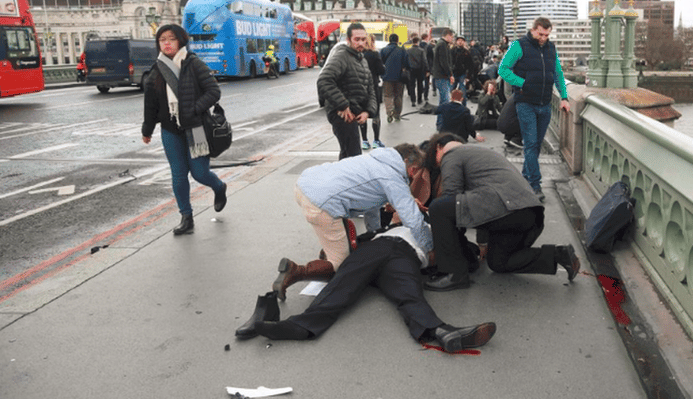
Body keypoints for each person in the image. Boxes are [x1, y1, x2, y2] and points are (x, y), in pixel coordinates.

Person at [236, 225, 496, 353]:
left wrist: (473, 253)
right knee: (343, 283)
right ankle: (301, 326)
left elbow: (469, 256)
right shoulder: (392, 225)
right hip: (379, 246)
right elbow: (348, 245)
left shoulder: (439, 226)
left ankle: (441, 331)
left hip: (407, 257)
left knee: (409, 294)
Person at [273, 143, 433, 300]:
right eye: (416, 170)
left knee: (338, 236)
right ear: (408, 164)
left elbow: (370, 204)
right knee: (343, 264)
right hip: (322, 203)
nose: (414, 174)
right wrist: (429, 247)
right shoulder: (392, 177)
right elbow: (413, 219)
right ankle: (295, 271)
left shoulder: (377, 159)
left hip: (305, 185)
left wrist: (375, 234)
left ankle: (328, 251)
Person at [422, 133, 580, 292]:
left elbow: (452, 199)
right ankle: (558, 254)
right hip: (528, 213)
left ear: (438, 148)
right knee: (499, 262)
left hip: (507, 208)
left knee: (439, 208)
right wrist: (482, 243)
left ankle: (454, 274)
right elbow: (478, 202)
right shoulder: (479, 153)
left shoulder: (451, 154)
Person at [141, 24, 227, 235]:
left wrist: (194, 109)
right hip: (170, 129)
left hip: (196, 127)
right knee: (178, 175)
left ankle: (219, 187)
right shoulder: (156, 69)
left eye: (171, 38)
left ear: (181, 40)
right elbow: (150, 103)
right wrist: (147, 129)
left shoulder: (193, 63)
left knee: (199, 173)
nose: (167, 43)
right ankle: (186, 218)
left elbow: (213, 91)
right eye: (162, 40)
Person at [498, 17, 570, 202]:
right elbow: (503, 69)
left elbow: (558, 73)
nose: (544, 38)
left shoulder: (551, 48)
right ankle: (535, 185)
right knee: (530, 144)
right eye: (541, 34)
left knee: (536, 145)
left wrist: (563, 97)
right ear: (533, 30)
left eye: (547, 34)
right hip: (525, 102)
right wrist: (523, 83)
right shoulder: (518, 46)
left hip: (545, 103)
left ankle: (524, 177)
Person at [317, 23, 377, 160]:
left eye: (363, 39)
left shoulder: (362, 60)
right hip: (343, 115)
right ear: (348, 40)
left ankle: (341, 180)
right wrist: (342, 105)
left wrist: (368, 111)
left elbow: (370, 89)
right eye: (357, 39)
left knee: (347, 156)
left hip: (355, 113)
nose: (361, 43)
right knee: (353, 156)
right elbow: (324, 80)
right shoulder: (342, 56)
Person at [359, 35, 385, 150]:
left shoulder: (358, 55)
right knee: (375, 113)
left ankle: (364, 140)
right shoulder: (374, 54)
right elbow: (381, 70)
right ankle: (376, 140)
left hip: (360, 88)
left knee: (362, 113)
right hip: (373, 86)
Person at [380, 33, 408, 122]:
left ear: (389, 40)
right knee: (398, 95)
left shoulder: (384, 50)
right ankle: (397, 114)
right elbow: (407, 63)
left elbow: (381, 63)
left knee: (388, 95)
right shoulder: (402, 50)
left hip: (387, 77)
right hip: (399, 77)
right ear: (397, 40)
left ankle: (389, 112)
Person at [431, 29, 454, 105]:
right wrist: (450, 74)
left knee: (443, 100)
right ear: (447, 35)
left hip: (440, 76)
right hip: (442, 76)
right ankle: (443, 116)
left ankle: (441, 117)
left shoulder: (441, 43)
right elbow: (444, 62)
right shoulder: (442, 45)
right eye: (452, 37)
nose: (452, 39)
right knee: (445, 100)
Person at [451, 36, 474, 104]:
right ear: (456, 42)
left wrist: (468, 76)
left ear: (464, 42)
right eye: (458, 40)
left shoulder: (466, 52)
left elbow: (470, 65)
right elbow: (449, 62)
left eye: (462, 40)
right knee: (451, 91)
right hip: (454, 73)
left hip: (463, 74)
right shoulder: (452, 51)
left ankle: (464, 107)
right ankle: (452, 107)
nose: (460, 42)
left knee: (463, 92)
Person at [406, 34, 427, 106]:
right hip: (420, 69)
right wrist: (426, 70)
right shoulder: (421, 50)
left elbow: (406, 60)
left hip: (411, 69)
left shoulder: (408, 50)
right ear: (418, 42)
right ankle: (419, 99)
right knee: (420, 84)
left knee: (412, 85)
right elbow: (424, 61)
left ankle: (413, 100)